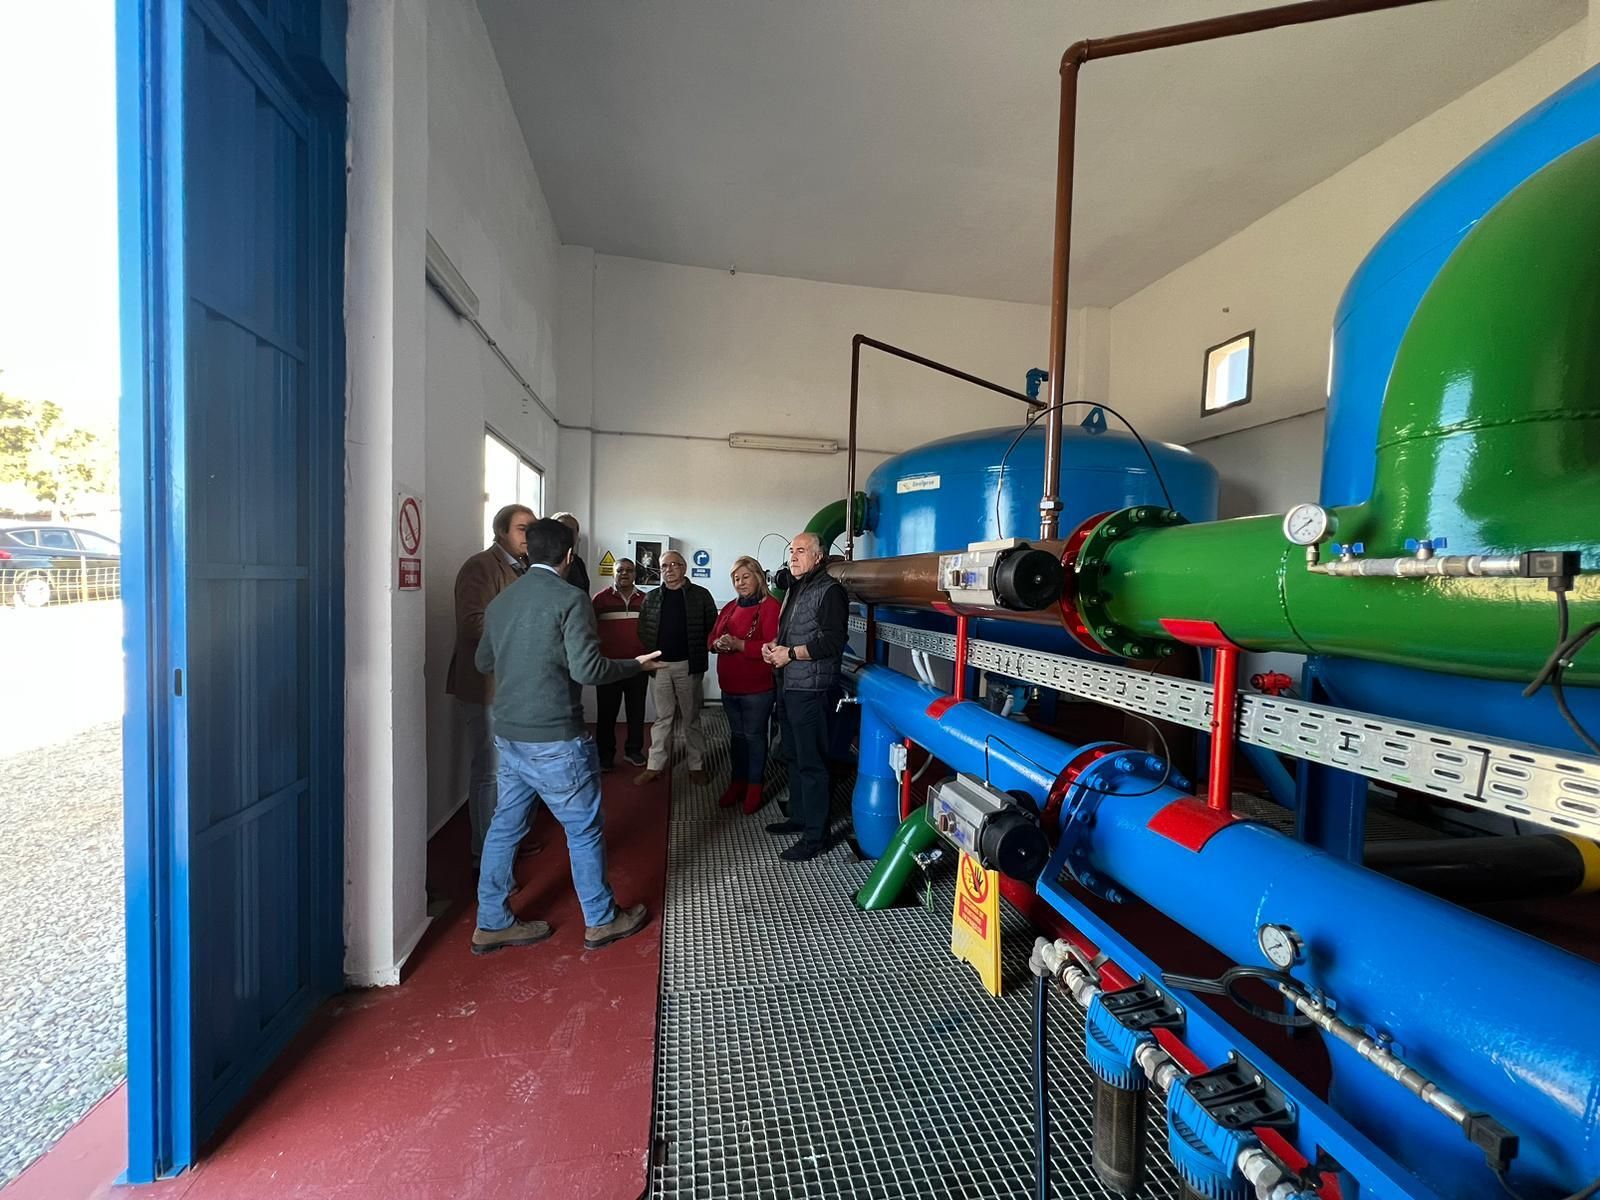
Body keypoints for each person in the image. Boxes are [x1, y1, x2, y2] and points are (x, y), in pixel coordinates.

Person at [471, 518, 662, 955]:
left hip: (511, 736)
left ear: (528, 552)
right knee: (584, 828)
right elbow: (588, 671)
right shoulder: (571, 599)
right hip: (555, 738)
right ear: (570, 556)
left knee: (503, 829)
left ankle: (492, 922)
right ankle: (600, 920)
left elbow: (484, 661)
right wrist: (637, 665)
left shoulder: (501, 603)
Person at [446, 503, 534, 863]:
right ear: (501, 532)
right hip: (486, 688)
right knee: (491, 773)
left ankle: (507, 843)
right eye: (522, 529)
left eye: (532, 528)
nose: (529, 536)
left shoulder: (524, 568)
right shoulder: (480, 566)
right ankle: (485, 856)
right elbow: (472, 625)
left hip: (514, 687)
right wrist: (528, 635)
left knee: (513, 772)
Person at [762, 532, 848, 861]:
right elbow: (791, 634)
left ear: (818, 557)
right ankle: (799, 817)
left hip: (812, 690)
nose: (793, 556)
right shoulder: (798, 587)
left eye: (801, 551)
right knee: (794, 755)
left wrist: (791, 654)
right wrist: (774, 647)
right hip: (789, 684)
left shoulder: (830, 591)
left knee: (813, 763)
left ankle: (816, 837)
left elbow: (832, 642)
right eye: (791, 551)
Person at [634, 550, 718, 787]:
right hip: (659, 666)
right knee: (663, 717)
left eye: (674, 564)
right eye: (664, 566)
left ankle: (697, 765)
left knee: (691, 717)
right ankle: (654, 765)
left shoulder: (701, 596)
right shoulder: (651, 598)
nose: (669, 569)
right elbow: (643, 629)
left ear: (684, 567)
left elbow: (712, 627)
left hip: (688, 665)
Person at [709, 556, 780, 814]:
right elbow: (712, 635)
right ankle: (736, 782)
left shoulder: (771, 607)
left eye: (745, 577)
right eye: (736, 579)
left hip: (757, 689)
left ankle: (754, 786)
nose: (740, 582)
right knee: (737, 738)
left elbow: (773, 644)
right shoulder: (729, 607)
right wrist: (717, 644)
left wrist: (739, 645)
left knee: (754, 737)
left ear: (758, 577)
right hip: (730, 686)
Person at [592, 558, 649, 769]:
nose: (624, 573)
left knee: (636, 712)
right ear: (613, 574)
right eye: (620, 570)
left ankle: (633, 751)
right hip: (608, 667)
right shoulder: (600, 600)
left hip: (638, 665)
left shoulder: (645, 599)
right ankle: (605, 756)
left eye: (629, 570)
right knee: (606, 714)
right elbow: (588, 630)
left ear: (635, 574)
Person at [550, 512, 591, 594]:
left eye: (571, 531)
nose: (567, 534)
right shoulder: (545, 560)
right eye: (562, 529)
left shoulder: (578, 562)